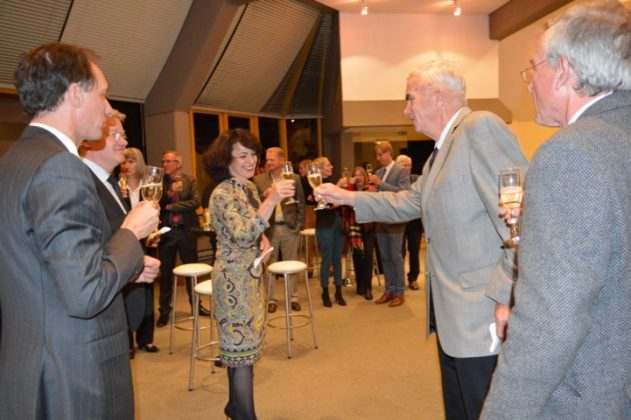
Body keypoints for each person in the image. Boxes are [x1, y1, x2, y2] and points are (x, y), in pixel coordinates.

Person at [316, 60, 527, 419]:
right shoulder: (440, 153)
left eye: (410, 98)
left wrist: (507, 296)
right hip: (452, 316)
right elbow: (408, 202)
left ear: (439, 95)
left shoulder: (480, 128)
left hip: (482, 314)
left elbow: (521, 217)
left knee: (484, 409)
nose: (406, 109)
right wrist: (346, 197)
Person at [482, 2, 631, 418]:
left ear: (564, 71)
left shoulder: (570, 154)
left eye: (533, 68)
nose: (530, 83)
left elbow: (552, 321)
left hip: (590, 395)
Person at [0, 42, 160, 419]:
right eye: (102, 94)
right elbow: (85, 293)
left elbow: (47, 268)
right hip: (74, 376)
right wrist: (130, 232)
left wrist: (127, 264)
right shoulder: (60, 167)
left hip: (32, 366)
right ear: (75, 94)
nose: (107, 109)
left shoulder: (13, 161)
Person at [204, 128, 294, 420]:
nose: (251, 160)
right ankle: (243, 414)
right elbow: (242, 235)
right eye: (242, 155)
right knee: (240, 353)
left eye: (253, 154)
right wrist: (271, 201)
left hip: (251, 276)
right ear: (225, 158)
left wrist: (263, 238)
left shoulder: (248, 188)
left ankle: (234, 407)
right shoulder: (222, 192)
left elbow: (252, 228)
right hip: (232, 280)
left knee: (246, 350)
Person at [252, 147, 305, 313]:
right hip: (269, 229)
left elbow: (300, 202)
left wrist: (299, 224)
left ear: (282, 160)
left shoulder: (294, 178)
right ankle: (271, 299)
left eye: (272, 159)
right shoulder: (258, 180)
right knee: (269, 265)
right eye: (267, 159)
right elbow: (254, 203)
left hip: (289, 227)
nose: (268, 162)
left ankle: (293, 298)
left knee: (292, 263)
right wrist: (266, 195)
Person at [120, 146, 160, 356]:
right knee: (126, 293)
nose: (126, 165)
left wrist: (155, 234)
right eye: (124, 161)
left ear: (140, 163)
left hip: (147, 244)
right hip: (125, 243)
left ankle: (146, 339)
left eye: (131, 161)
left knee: (146, 293)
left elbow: (155, 216)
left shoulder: (149, 187)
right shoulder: (117, 187)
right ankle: (127, 341)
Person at [156, 150, 203, 327]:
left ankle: (197, 306)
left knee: (192, 271)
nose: (165, 164)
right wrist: (169, 194)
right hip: (167, 232)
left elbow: (195, 202)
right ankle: (164, 311)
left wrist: (171, 206)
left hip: (186, 232)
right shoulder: (160, 181)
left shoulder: (190, 180)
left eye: (169, 161)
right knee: (166, 274)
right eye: (163, 161)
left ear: (178, 163)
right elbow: (157, 203)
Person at [368, 141, 410, 307]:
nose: (378, 158)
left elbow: (404, 192)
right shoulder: (379, 172)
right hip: (380, 218)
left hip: (395, 219)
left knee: (395, 256)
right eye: (376, 155)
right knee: (384, 257)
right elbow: (379, 194)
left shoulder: (401, 170)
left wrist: (381, 184)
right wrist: (373, 191)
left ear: (388, 153)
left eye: (380, 155)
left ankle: (399, 292)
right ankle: (389, 290)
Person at [338, 166, 376, 300]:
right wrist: (349, 186)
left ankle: (368, 287)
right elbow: (342, 203)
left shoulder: (371, 189)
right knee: (358, 255)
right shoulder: (349, 190)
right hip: (354, 224)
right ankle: (360, 284)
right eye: (356, 175)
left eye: (361, 174)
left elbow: (374, 204)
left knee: (368, 255)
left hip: (369, 225)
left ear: (365, 177)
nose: (359, 177)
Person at [313, 156, 347, 307]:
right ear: (320, 169)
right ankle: (325, 292)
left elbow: (340, 202)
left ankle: (339, 292)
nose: (331, 166)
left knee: (338, 259)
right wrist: (338, 189)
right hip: (324, 225)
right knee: (326, 260)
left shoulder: (332, 182)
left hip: (338, 223)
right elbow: (323, 204)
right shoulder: (316, 185)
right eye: (328, 165)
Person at [396, 154, 423, 291]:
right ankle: (399, 279)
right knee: (399, 252)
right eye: (403, 165)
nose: (406, 168)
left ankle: (413, 278)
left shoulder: (417, 179)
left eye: (408, 165)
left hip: (414, 221)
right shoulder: (394, 181)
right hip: (399, 220)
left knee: (414, 250)